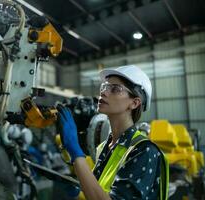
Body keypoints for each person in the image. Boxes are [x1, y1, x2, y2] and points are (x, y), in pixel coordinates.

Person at [57, 65, 169, 200]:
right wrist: (78, 191)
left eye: (115, 89)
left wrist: (76, 155)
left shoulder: (144, 151)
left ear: (134, 103)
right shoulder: (103, 147)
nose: (103, 92)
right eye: (104, 87)